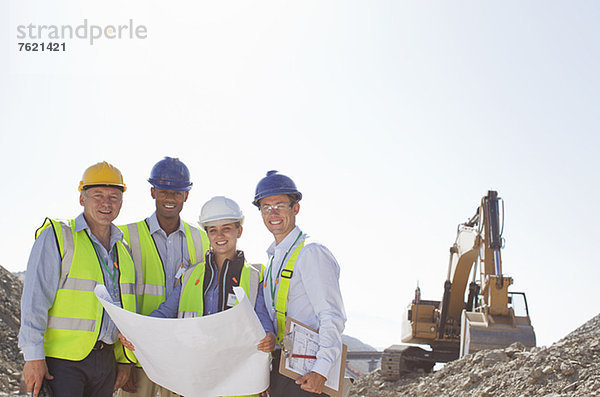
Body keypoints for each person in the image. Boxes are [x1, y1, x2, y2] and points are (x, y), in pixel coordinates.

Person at [120, 196, 276, 396]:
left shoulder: (255, 276)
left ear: (239, 230)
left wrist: (268, 336)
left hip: (235, 378)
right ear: (207, 234)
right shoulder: (190, 275)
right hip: (194, 377)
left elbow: (262, 317)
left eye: (226, 228)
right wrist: (135, 330)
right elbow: (166, 311)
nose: (219, 235)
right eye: (213, 230)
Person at [19, 161, 137, 397]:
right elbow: (35, 299)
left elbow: (122, 310)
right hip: (62, 362)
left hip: (105, 362)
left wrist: (124, 359)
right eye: (97, 195)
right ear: (82, 198)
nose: (106, 203)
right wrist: (33, 357)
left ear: (121, 203)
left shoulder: (123, 250)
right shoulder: (59, 236)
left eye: (113, 197)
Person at [117, 157, 210, 397]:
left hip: (182, 356)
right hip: (140, 353)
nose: (170, 198)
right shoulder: (125, 236)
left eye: (177, 193)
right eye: (164, 191)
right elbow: (117, 300)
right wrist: (124, 359)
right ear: (152, 192)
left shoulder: (201, 239)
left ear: (186, 196)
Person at [252, 171, 346, 396]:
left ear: (295, 208)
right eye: (266, 207)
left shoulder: (311, 253)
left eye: (280, 205)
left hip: (309, 376)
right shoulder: (274, 259)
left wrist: (321, 371)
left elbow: (331, 315)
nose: (272, 213)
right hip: (284, 369)